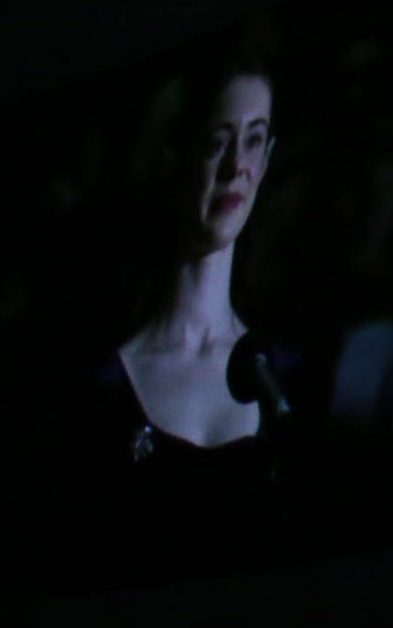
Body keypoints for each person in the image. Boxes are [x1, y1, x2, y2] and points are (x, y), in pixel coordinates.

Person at [84, 37, 296, 479]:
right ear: (177, 158)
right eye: (219, 142)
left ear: (267, 159)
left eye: (254, 141)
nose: (237, 166)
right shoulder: (106, 380)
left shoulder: (285, 376)